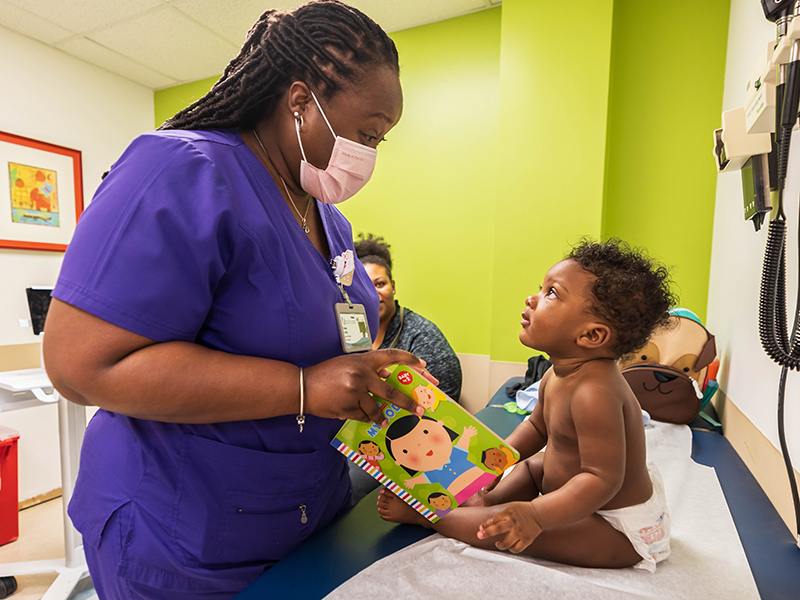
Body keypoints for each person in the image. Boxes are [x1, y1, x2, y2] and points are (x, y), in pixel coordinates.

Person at [41, 3, 435, 599]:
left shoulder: (328, 218)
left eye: (380, 139)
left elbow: (332, 333)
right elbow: (82, 366)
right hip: (185, 529)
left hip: (304, 511)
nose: (370, 153)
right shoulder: (181, 170)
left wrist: (367, 368)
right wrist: (306, 387)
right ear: (300, 101)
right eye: (366, 132)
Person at [377, 239, 677, 572]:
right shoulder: (556, 373)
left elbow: (601, 480)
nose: (532, 299)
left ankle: (433, 517)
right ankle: (485, 500)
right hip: (571, 495)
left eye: (552, 293)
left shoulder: (595, 392)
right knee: (530, 467)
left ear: (591, 336)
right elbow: (536, 427)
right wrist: (491, 463)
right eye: (541, 288)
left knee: (504, 528)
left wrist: (535, 514)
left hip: (613, 526)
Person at [354, 234, 462, 400]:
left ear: (393, 286)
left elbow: (443, 399)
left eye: (380, 284)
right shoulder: (352, 330)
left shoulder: (424, 337)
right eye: (365, 287)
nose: (373, 295)